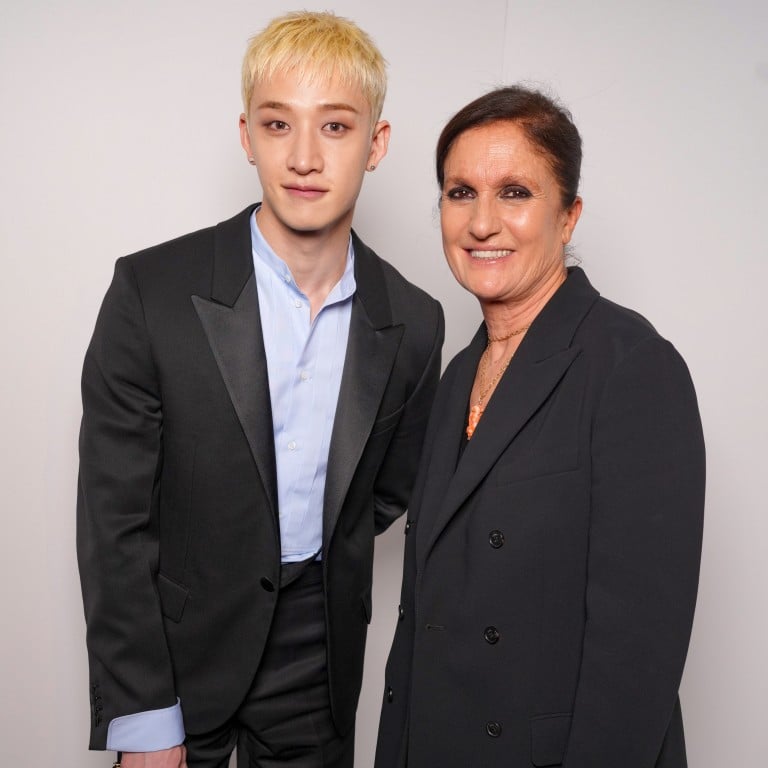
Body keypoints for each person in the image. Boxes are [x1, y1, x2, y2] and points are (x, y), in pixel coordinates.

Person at [77, 11, 443, 768]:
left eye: (335, 127)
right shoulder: (150, 292)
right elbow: (113, 523)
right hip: (174, 652)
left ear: (376, 144)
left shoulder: (414, 321)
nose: (304, 157)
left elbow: (381, 494)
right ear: (247, 136)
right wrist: (143, 717)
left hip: (319, 660)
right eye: (279, 124)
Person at [375, 85, 705, 768]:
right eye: (460, 193)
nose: (482, 222)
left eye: (515, 193)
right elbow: (420, 624)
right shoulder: (457, 375)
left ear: (568, 215)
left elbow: (637, 656)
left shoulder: (631, 365)